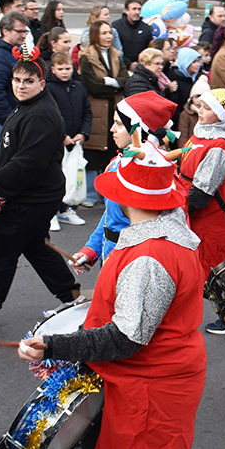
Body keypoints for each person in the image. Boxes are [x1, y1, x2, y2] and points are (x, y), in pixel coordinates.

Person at [17, 145, 206, 449]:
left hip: (153, 377)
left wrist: (53, 344)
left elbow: (126, 337)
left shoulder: (151, 256)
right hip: (135, 372)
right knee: (100, 443)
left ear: (129, 198)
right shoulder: (153, 232)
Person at [0, 54, 81, 330]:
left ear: (42, 84)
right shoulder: (25, 106)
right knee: (36, 247)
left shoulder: (42, 115)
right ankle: (71, 298)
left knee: (2, 251)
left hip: (33, 197)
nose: (21, 86)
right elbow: (7, 149)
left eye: (28, 81)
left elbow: (26, 164)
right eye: (17, 80)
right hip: (30, 193)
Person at [72, 92, 177, 274]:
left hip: (133, 264)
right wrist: (91, 250)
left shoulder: (154, 174)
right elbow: (110, 218)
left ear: (139, 129)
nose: (112, 129)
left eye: (119, 124)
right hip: (111, 256)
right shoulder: (116, 163)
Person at [177, 88, 225, 334]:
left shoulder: (220, 147)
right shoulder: (201, 134)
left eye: (207, 108)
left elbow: (202, 193)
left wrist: (178, 210)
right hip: (193, 206)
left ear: (221, 114)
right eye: (200, 106)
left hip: (210, 213)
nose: (199, 111)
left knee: (216, 262)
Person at [45, 52, 91, 229]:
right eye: (61, 69)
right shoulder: (49, 88)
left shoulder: (78, 86)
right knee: (55, 178)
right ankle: (51, 213)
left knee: (71, 178)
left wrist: (83, 133)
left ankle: (66, 209)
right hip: (56, 142)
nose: (65, 72)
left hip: (75, 141)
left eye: (68, 68)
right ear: (53, 69)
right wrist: (61, 135)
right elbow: (51, 115)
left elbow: (87, 111)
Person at [79, 19, 129, 180]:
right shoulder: (86, 57)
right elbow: (94, 86)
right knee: (95, 149)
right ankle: (92, 193)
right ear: (95, 35)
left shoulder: (116, 55)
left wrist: (110, 82)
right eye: (104, 33)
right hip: (96, 108)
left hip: (113, 108)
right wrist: (114, 86)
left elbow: (125, 80)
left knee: (111, 146)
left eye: (110, 33)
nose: (109, 36)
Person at [0, 11, 31, 155]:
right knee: (1, 157)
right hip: (3, 121)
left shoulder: (18, 51)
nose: (24, 35)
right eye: (19, 31)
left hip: (17, 117)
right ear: (5, 31)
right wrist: (11, 120)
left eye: (25, 31)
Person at [112, 0, 154, 66]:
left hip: (141, 66)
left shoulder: (146, 28)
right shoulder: (116, 26)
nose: (137, 12)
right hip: (120, 65)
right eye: (134, 9)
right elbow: (114, 49)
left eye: (139, 9)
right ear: (126, 11)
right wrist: (129, 64)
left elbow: (149, 49)